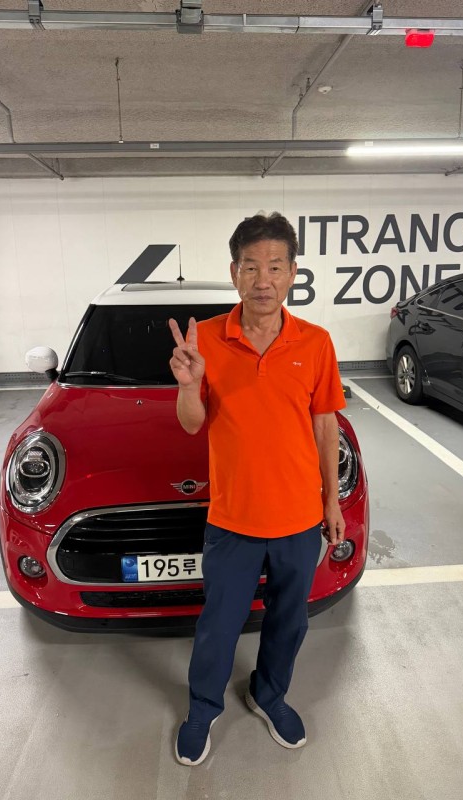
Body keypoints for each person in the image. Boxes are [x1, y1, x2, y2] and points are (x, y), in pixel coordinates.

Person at [168, 211, 346, 767]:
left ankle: (269, 694)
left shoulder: (315, 342)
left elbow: (325, 425)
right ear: (234, 272)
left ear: (293, 273)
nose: (262, 279)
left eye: (274, 266)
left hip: (299, 518)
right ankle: (203, 708)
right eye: (250, 266)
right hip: (233, 518)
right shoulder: (207, 341)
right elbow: (192, 424)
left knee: (289, 621)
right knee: (219, 625)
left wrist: (331, 499)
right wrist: (190, 384)